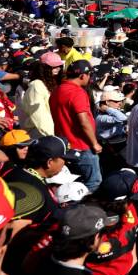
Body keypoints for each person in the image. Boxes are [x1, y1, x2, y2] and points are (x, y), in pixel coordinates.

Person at [49, 59, 101, 190]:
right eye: (89, 75)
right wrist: (94, 143)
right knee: (93, 182)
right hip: (82, 146)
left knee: (72, 183)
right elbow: (83, 121)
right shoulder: (77, 92)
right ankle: (83, 209)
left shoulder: (57, 90)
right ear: (83, 75)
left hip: (65, 146)